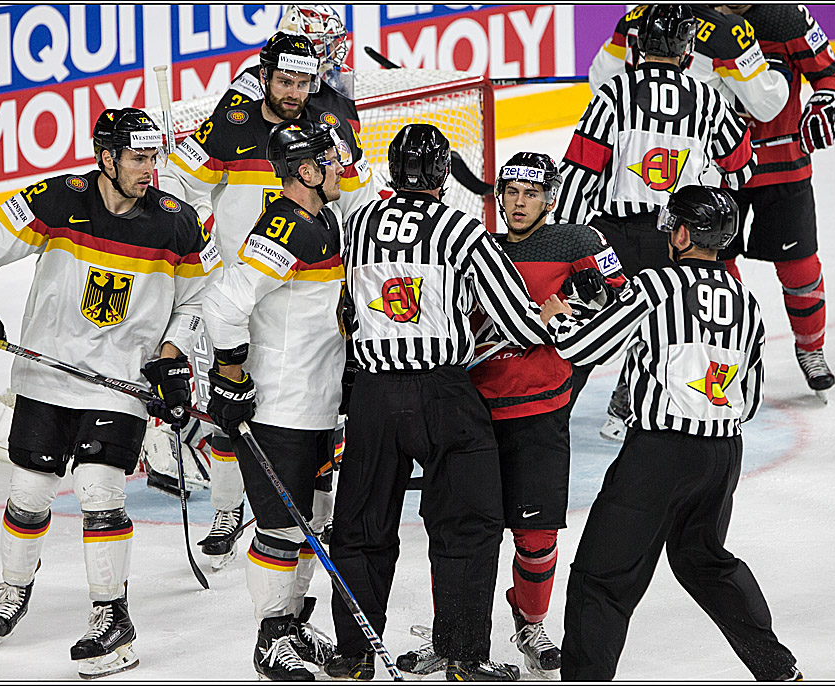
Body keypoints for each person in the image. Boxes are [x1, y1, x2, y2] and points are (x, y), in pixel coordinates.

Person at [0, 107, 221, 679]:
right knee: (29, 490)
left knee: (98, 489)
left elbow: (201, 301)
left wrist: (171, 358)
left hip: (120, 386)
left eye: (155, 156)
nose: (151, 170)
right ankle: (14, 589)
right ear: (106, 158)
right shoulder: (55, 200)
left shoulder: (178, 222)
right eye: (139, 158)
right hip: (47, 377)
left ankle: (112, 615)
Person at [540, 185, 801, 681]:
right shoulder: (746, 300)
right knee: (704, 561)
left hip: (658, 457)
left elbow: (586, 347)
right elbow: (750, 395)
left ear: (681, 233)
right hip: (722, 456)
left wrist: (558, 319)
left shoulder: (656, 285)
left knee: (603, 576)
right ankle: (775, 666)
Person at [326, 124, 555, 682]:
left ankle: (355, 655)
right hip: (444, 396)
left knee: (360, 526)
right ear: (441, 175)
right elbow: (518, 323)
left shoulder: (357, 222)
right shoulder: (461, 230)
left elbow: (344, 308)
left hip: (374, 399)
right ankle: (462, 655)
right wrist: (548, 315)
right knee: (469, 524)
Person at [392, 152, 627, 678]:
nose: (520, 204)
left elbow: (622, 307)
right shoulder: (472, 245)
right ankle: (452, 637)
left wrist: (581, 306)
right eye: (511, 193)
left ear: (550, 196)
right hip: (470, 414)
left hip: (541, 414)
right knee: (458, 533)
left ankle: (532, 623)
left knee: (538, 535)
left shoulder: (580, 243)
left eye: (531, 194)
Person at [158, 25, 375, 568]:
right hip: (242, 291)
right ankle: (230, 509)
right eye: (285, 80)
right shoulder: (232, 124)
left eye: (305, 82)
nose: (295, 92)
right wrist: (190, 239)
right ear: (264, 75)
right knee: (233, 404)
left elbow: (361, 200)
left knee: (319, 405)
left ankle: (310, 512)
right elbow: (175, 185)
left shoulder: (330, 129)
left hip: (309, 289)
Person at [554, 4, 756, 442]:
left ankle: (546, 422)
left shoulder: (614, 94)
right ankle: (632, 408)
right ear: (687, 53)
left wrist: (567, 244)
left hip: (613, 241)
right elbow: (741, 167)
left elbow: (576, 175)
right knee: (669, 327)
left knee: (588, 332)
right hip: (678, 241)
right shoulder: (707, 97)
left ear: (638, 46)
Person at [201, 119, 349, 681]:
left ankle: (291, 623)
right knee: (283, 529)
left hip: (317, 403)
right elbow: (224, 304)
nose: (342, 166)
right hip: (281, 407)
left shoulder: (322, 219)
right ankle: (270, 639)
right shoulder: (285, 228)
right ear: (306, 171)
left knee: (316, 520)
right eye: (331, 160)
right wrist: (232, 375)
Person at [712, 4, 835, 402]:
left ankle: (811, 350)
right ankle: (727, 354)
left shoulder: (787, 18)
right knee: (714, 268)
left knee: (800, 267)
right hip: (716, 167)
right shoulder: (696, 18)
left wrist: (825, 102)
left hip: (783, 163)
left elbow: (831, 73)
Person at [588, 4, 789, 123]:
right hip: (697, 159)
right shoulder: (727, 32)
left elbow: (600, 81)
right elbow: (766, 105)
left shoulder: (634, 18)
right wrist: (778, 70)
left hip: (634, 148)